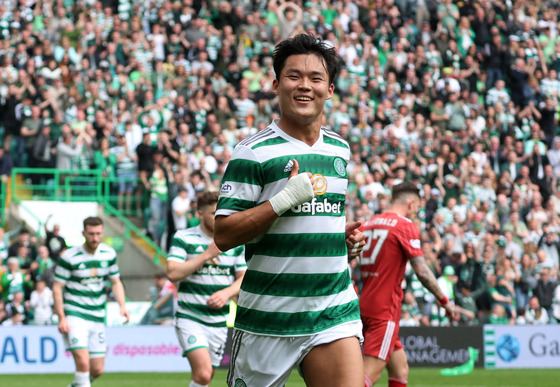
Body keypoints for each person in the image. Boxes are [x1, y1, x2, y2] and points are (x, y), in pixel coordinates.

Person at [214, 34, 366, 387]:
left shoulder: (339, 150)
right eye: (294, 76)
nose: (304, 86)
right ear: (275, 84)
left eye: (316, 78)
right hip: (269, 320)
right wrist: (282, 200)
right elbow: (223, 235)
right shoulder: (252, 152)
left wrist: (338, 241)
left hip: (332, 309)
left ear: (329, 89)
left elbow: (313, 219)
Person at [359, 182, 454, 387]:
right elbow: (422, 272)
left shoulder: (370, 223)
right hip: (384, 311)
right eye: (418, 207)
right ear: (410, 203)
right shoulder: (404, 225)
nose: (416, 212)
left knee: (400, 369)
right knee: (366, 378)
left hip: (365, 304)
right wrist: (445, 301)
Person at [167, 191, 246, 387]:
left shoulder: (234, 242)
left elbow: (243, 278)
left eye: (222, 213)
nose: (219, 217)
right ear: (200, 213)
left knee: (206, 377)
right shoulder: (184, 237)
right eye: (213, 213)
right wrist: (206, 255)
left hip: (219, 321)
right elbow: (173, 273)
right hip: (190, 317)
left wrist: (226, 292)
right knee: (203, 374)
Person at [53, 217, 130, 387]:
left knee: (96, 370)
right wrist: (62, 317)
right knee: (83, 364)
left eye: (98, 234)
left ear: (102, 233)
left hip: (97, 315)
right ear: (83, 233)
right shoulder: (70, 257)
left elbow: (115, 281)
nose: (95, 238)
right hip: (75, 313)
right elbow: (57, 287)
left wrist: (122, 306)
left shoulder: (108, 254)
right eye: (91, 234)